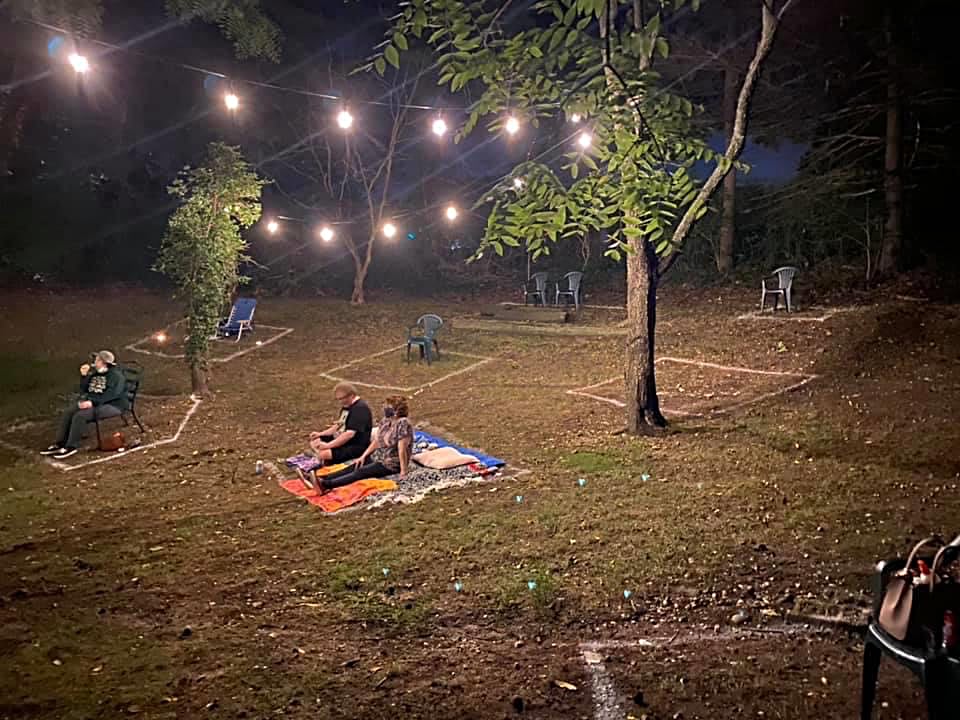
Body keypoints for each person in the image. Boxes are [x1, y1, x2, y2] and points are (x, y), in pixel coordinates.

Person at [309, 395, 414, 493]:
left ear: (396, 411)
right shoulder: (386, 421)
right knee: (354, 466)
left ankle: (326, 485)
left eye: (388, 407)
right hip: (379, 456)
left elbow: (402, 449)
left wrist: (403, 471)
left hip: (392, 463)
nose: (384, 408)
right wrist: (364, 456)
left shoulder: (403, 423)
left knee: (361, 472)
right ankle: (322, 478)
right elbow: (377, 441)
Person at [40, 350, 128, 459]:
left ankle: (71, 446)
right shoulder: (96, 373)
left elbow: (112, 395)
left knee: (80, 416)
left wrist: (92, 402)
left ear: (103, 362)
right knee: (69, 411)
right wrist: (84, 376)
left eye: (97, 360)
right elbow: (84, 389)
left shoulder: (116, 377)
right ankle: (59, 443)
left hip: (113, 405)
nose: (94, 362)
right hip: (94, 402)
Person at [308, 382, 373, 465]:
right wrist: (320, 434)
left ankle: (325, 462)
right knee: (315, 441)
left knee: (323, 454)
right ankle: (323, 459)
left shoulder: (359, 409)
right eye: (338, 399)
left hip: (354, 445)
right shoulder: (347, 406)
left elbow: (349, 435)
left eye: (342, 399)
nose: (340, 402)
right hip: (342, 438)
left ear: (352, 395)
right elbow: (339, 424)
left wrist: (328, 445)